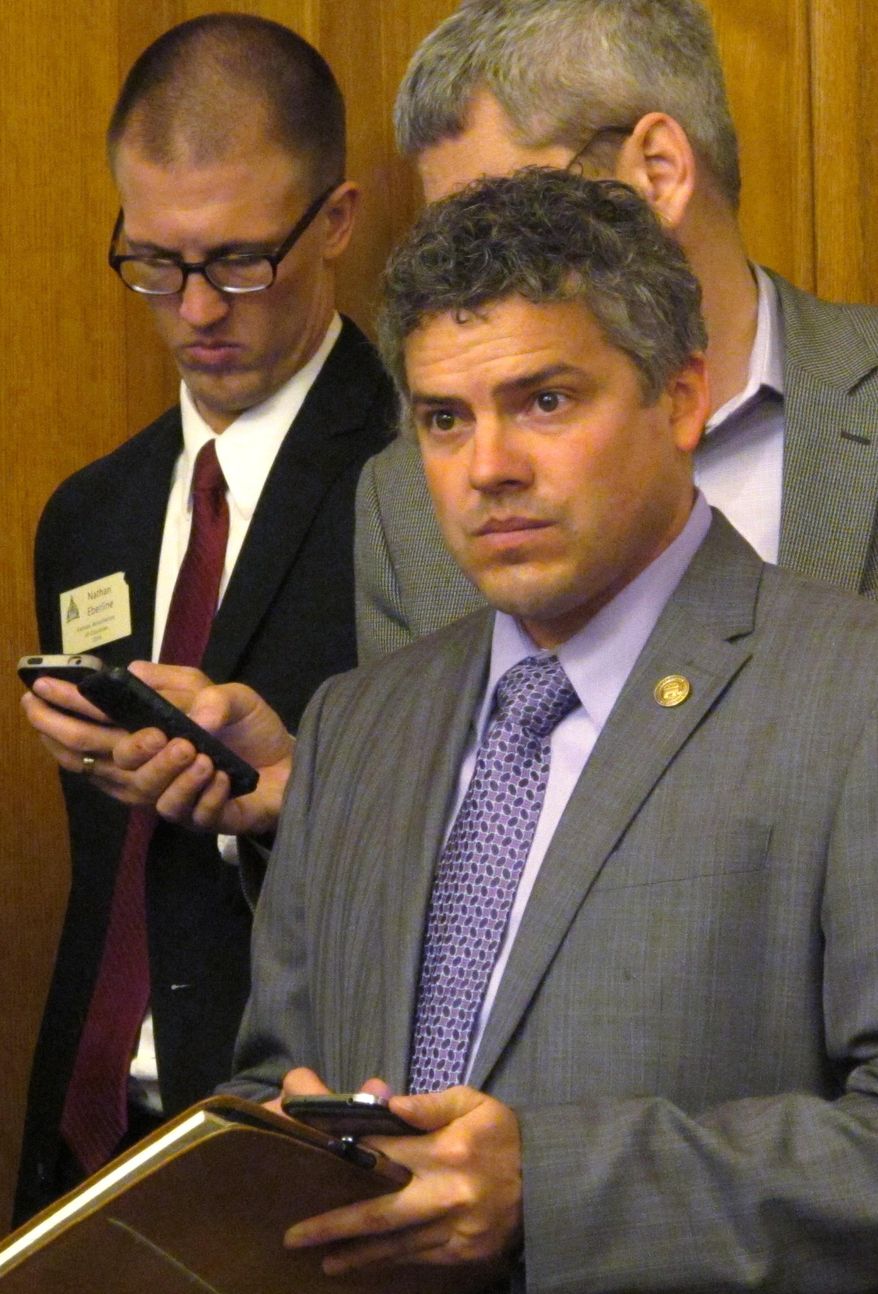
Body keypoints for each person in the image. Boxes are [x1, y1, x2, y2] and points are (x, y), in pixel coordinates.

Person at [202, 170, 878, 1291]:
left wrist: (550, 1191)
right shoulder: (357, 724)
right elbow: (273, 1079)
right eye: (444, 419)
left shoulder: (848, 691)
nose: (489, 469)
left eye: (546, 402)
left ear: (681, 398)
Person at [14, 13, 393, 1222]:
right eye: (152, 262)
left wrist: (282, 798)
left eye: (237, 261)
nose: (194, 310)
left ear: (334, 221)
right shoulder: (89, 515)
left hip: (303, 1147)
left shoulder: (421, 486)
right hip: (85, 1140)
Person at [354, 0, 878, 662]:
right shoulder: (405, 498)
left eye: (521, 212)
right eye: (454, 230)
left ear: (657, 172)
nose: (476, 263)